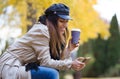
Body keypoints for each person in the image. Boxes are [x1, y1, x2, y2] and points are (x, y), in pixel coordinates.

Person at [0, 3, 86, 79]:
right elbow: (46, 62)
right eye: (61, 21)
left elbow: (55, 61)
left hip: (24, 66)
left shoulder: (51, 32)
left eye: (66, 21)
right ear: (52, 21)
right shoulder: (41, 31)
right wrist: (71, 64)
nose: (65, 25)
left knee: (52, 71)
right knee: (51, 73)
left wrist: (69, 49)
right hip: (11, 67)